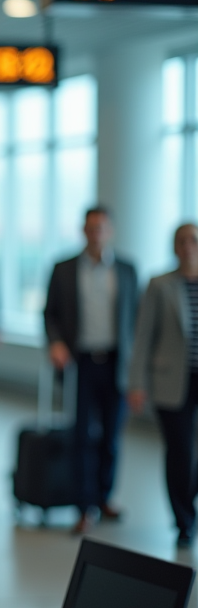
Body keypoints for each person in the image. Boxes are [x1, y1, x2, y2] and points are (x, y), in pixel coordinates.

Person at [44, 206, 139, 535]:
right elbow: (50, 314)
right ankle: (84, 507)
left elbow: (136, 320)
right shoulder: (64, 268)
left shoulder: (127, 270)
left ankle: (104, 497)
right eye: (90, 227)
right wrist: (55, 342)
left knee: (112, 437)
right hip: (80, 363)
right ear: (83, 231)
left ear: (110, 230)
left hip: (116, 364)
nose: (96, 233)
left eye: (101, 227)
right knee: (82, 435)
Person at [129, 223, 198, 550]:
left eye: (194, 240)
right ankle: (184, 520)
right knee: (180, 450)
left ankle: (189, 500)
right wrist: (136, 383)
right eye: (182, 241)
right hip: (172, 380)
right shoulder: (159, 285)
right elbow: (143, 337)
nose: (188, 246)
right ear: (174, 247)